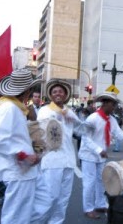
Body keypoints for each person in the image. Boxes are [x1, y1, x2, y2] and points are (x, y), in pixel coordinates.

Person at [0, 69, 41, 224]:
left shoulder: (14, 107)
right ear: (27, 91)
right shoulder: (9, 108)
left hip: (22, 171)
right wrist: (24, 155)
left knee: (21, 213)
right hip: (17, 170)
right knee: (15, 214)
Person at [78, 92, 123, 219]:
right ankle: (88, 208)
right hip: (88, 155)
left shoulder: (111, 119)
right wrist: (98, 150)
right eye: (113, 104)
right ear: (105, 104)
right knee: (89, 182)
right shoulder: (93, 118)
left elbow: (119, 133)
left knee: (102, 180)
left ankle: (100, 203)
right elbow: (85, 138)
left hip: (101, 155)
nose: (115, 107)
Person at [30, 79, 85, 224]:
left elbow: (81, 129)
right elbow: (41, 132)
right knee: (49, 197)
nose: (58, 94)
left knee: (63, 199)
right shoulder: (45, 110)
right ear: (51, 95)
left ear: (65, 94)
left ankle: (56, 222)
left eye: (60, 91)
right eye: (55, 92)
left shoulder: (70, 112)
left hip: (68, 161)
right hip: (52, 160)